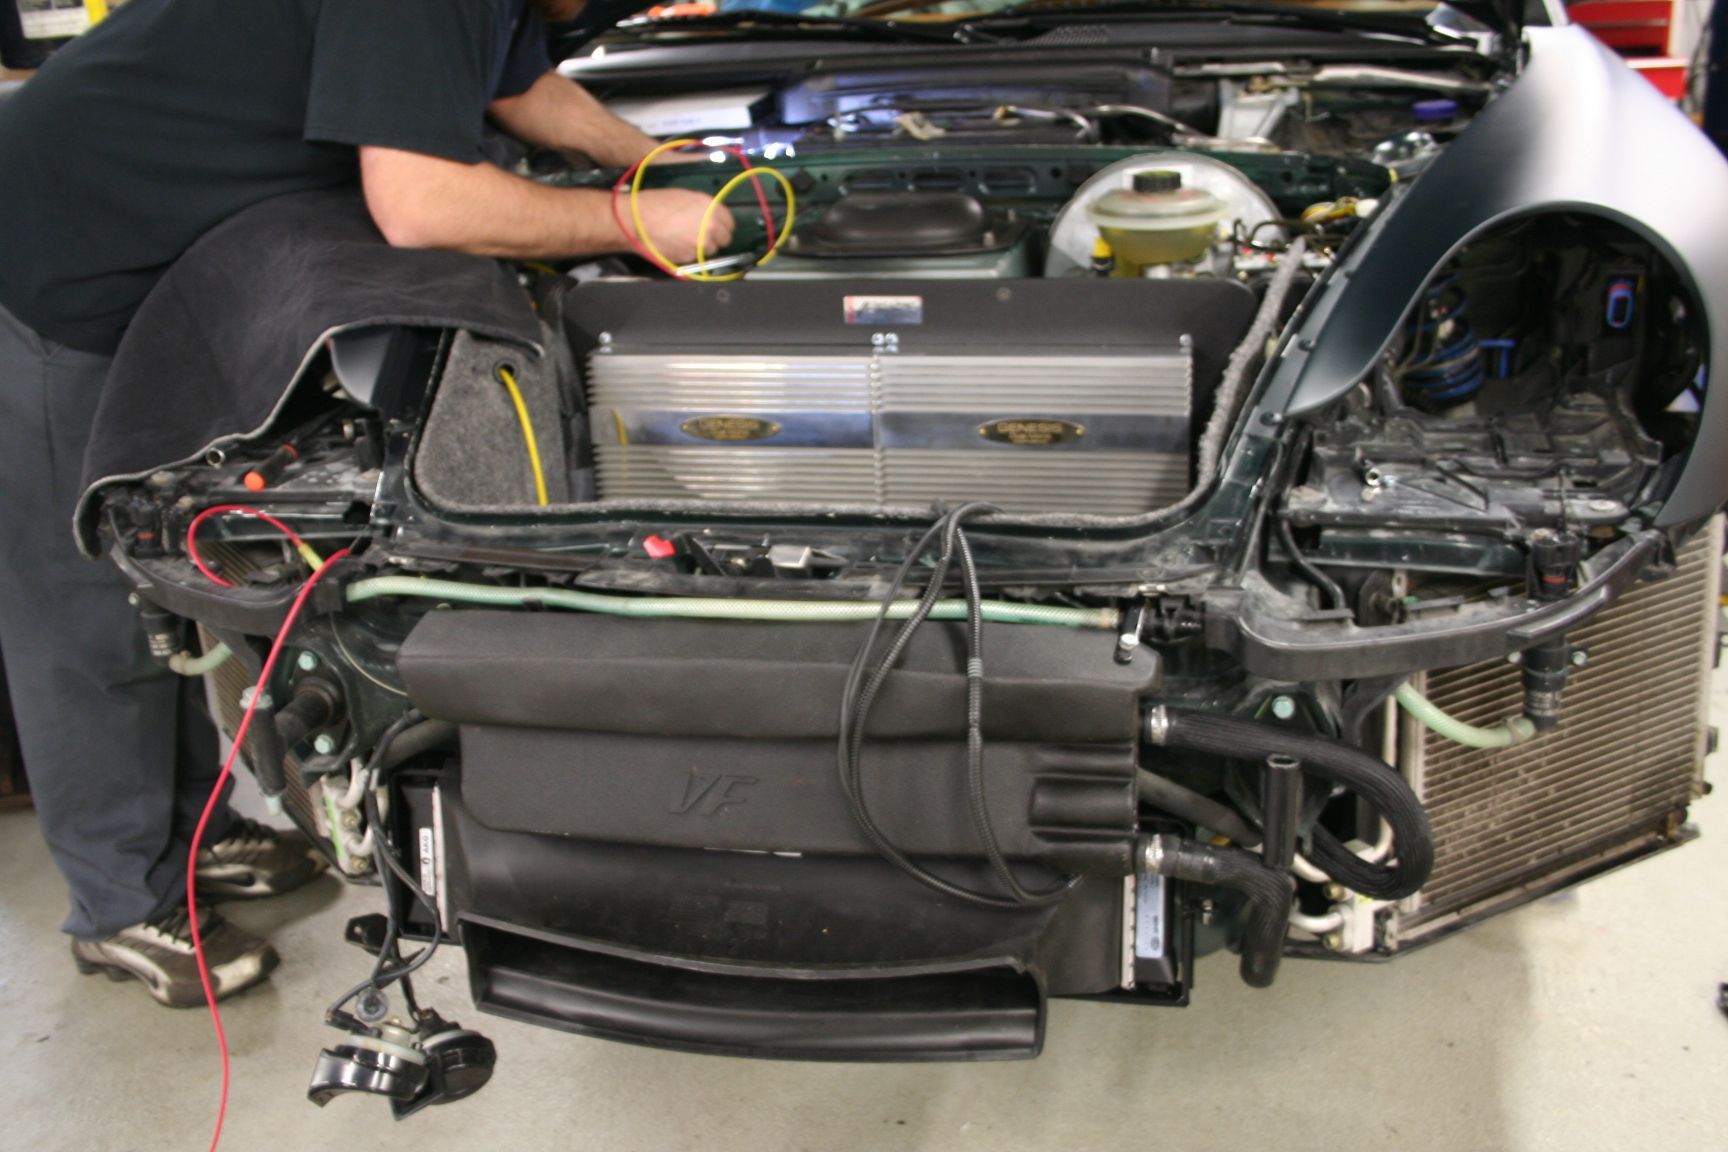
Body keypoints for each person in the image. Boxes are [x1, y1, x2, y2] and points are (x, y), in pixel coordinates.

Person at [0, 0, 729, 1008]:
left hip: (153, 248)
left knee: (157, 582)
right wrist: (628, 220)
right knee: (85, 604)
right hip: (53, 249)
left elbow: (522, 91)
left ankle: (192, 834)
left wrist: (661, 165)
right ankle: (119, 901)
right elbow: (420, 203)